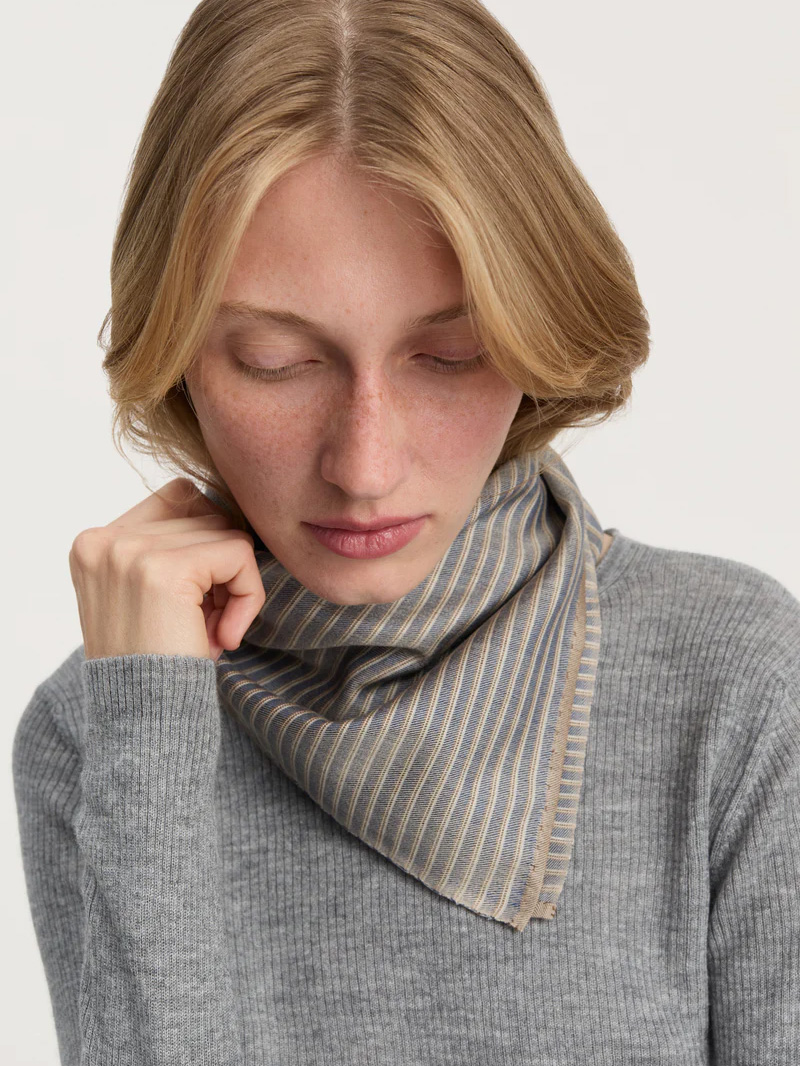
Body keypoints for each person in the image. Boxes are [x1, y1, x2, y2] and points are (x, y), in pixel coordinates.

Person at [12, 0, 800, 1063]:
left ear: (533, 331)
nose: (365, 465)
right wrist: (149, 725)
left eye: (448, 356)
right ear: (179, 352)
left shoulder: (735, 685)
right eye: (278, 362)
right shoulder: (102, 730)